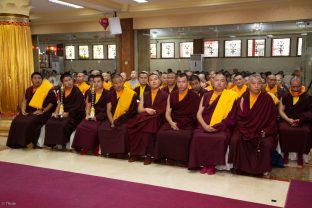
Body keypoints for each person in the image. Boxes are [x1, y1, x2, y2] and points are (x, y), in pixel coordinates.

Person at [188, 73, 237, 175]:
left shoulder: (231, 96)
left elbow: (231, 117)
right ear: (212, 82)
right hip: (204, 125)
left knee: (220, 138)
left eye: (222, 81)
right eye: (217, 80)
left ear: (226, 84)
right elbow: (199, 114)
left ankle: (212, 165)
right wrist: (205, 126)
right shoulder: (206, 95)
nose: (219, 83)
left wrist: (217, 127)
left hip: (222, 127)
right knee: (197, 136)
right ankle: (203, 163)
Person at [230, 74, 277, 176]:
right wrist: (245, 130)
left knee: (266, 143)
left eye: (259, 83)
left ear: (262, 85)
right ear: (248, 85)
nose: (256, 86)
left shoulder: (267, 99)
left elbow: (273, 118)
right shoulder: (243, 98)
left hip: (262, 129)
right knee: (235, 140)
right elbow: (239, 117)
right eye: (253, 83)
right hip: (244, 128)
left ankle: (263, 168)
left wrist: (267, 131)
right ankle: (239, 167)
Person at [155, 73, 200, 165]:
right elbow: (167, 113)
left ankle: (182, 160)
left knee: (186, 136)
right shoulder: (172, 95)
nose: (181, 84)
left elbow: (194, 116)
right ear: (176, 82)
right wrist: (171, 123)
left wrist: (179, 124)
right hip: (173, 121)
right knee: (161, 133)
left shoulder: (194, 96)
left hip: (188, 123)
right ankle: (165, 158)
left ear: (188, 83)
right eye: (179, 82)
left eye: (183, 82)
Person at [7, 72, 57, 148]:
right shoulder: (29, 89)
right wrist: (23, 110)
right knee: (16, 121)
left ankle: (24, 142)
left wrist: (43, 111)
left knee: (28, 122)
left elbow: (51, 103)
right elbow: (24, 101)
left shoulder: (47, 89)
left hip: (41, 112)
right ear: (31, 80)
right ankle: (14, 143)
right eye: (35, 78)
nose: (37, 80)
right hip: (29, 111)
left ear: (42, 79)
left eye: (39, 78)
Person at [127, 73, 168, 165]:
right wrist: (146, 109)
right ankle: (135, 153)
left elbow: (164, 109)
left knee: (148, 128)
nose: (154, 81)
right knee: (133, 126)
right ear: (148, 83)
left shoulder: (165, 95)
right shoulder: (145, 94)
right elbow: (139, 109)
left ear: (160, 81)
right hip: (145, 116)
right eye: (151, 80)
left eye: (156, 79)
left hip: (158, 117)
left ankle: (149, 155)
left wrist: (153, 112)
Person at [98, 74, 137, 157]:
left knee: (123, 130)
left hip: (126, 118)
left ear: (123, 82)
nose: (118, 84)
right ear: (112, 84)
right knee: (102, 128)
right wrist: (112, 121)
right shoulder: (110, 94)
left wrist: (117, 121)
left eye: (120, 82)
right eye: (115, 83)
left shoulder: (131, 94)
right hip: (113, 118)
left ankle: (122, 153)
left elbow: (131, 112)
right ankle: (109, 151)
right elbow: (108, 110)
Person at [44, 73, 86, 148]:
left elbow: (79, 107)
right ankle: (52, 143)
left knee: (63, 124)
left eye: (69, 80)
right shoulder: (61, 90)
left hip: (74, 115)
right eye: (66, 81)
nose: (68, 82)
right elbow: (59, 103)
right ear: (62, 83)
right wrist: (56, 112)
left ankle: (62, 142)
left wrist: (68, 113)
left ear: (73, 80)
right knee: (50, 122)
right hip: (62, 113)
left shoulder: (77, 92)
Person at [278, 76, 312, 167]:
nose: (295, 89)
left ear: (301, 85)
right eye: (293, 87)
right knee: (282, 129)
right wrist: (288, 120)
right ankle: (285, 153)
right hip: (287, 119)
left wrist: (300, 119)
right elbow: (281, 110)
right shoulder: (285, 95)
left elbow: (310, 112)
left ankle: (300, 154)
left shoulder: (307, 97)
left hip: (302, 121)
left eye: (297, 86)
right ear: (290, 86)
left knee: (305, 131)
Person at [72, 75, 109, 155]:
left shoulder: (107, 93)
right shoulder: (90, 93)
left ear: (103, 82)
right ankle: (80, 147)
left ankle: (91, 148)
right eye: (94, 82)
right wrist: (87, 115)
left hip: (101, 117)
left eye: (98, 81)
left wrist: (97, 117)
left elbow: (108, 110)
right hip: (91, 116)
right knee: (80, 127)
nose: (96, 84)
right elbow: (87, 106)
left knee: (94, 128)